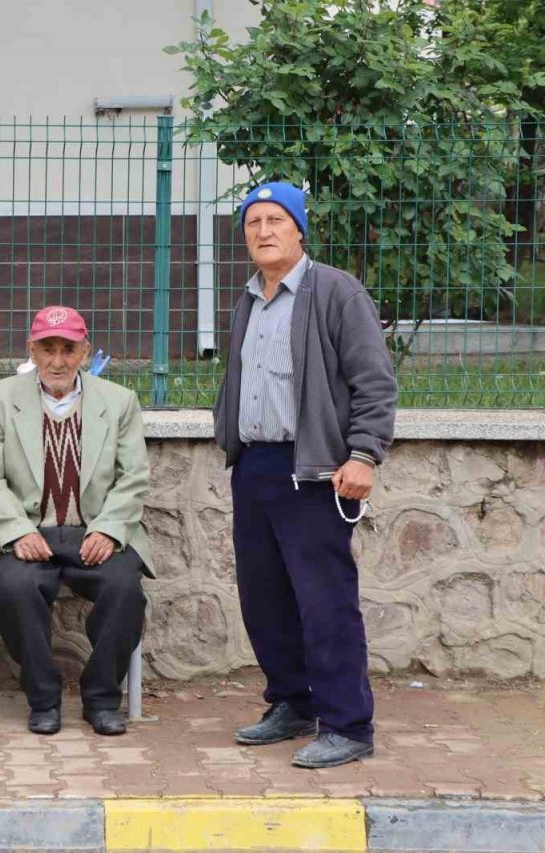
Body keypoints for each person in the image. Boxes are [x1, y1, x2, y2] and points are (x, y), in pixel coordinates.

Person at [215, 181, 397, 769]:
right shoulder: (248, 298)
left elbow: (374, 382)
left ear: (299, 228)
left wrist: (364, 455)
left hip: (316, 470)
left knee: (325, 601)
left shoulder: (335, 291)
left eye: (275, 220)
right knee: (264, 599)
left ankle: (348, 723)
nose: (263, 231)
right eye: (253, 222)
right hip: (257, 465)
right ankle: (292, 702)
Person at [0, 305, 154, 737]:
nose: (57, 360)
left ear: (85, 352)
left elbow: (134, 478)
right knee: (16, 588)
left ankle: (102, 698)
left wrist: (108, 529)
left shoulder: (119, 402)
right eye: (47, 349)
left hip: (92, 531)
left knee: (125, 589)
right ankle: (43, 698)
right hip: (26, 532)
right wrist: (16, 531)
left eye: (68, 349)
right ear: (30, 350)